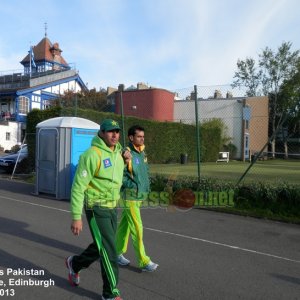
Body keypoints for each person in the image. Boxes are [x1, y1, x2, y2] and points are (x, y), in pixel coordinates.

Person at [65, 119, 131, 300]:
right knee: (110, 251)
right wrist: (76, 216)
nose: (114, 135)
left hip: (111, 207)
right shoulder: (91, 155)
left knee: (102, 244)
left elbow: (114, 177)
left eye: (117, 131)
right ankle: (110, 293)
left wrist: (126, 162)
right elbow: (78, 187)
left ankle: (75, 263)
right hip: (95, 207)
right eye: (110, 131)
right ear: (101, 133)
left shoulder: (118, 153)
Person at [116, 125, 158, 272]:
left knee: (125, 225)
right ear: (131, 138)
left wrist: (146, 187)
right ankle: (143, 261)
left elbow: (145, 171)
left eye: (143, 136)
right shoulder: (126, 153)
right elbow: (119, 175)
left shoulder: (142, 152)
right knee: (137, 227)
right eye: (139, 136)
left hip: (140, 195)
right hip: (130, 195)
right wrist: (132, 186)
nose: (142, 139)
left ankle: (115, 253)